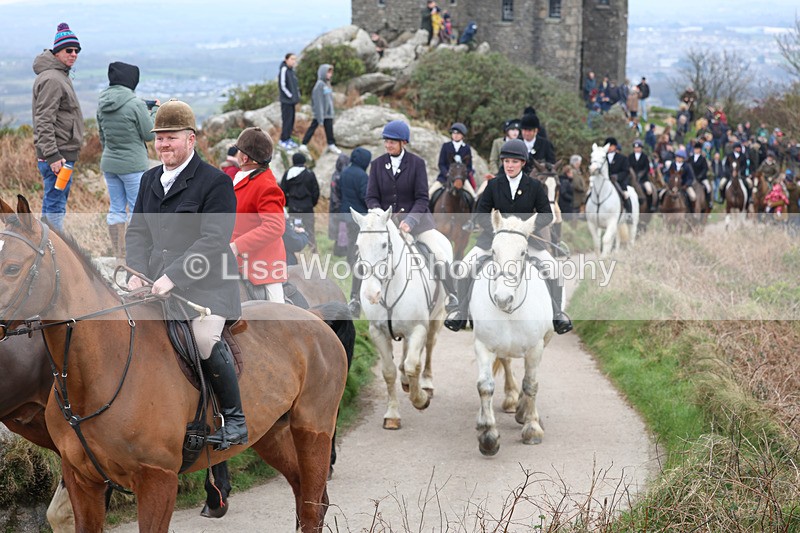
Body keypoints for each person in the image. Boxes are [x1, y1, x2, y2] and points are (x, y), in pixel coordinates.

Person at [126, 99, 246, 449]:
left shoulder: (214, 183)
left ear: (191, 139)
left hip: (206, 287)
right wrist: (136, 272)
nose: (163, 145)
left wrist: (174, 276)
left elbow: (214, 240)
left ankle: (235, 420)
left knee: (205, 340)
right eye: (159, 138)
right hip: (154, 284)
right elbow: (137, 232)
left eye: (171, 138)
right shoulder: (149, 179)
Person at [443, 139, 572, 335]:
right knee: (465, 267)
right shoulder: (493, 185)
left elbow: (547, 214)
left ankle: (557, 315)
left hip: (527, 239)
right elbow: (480, 214)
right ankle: (460, 313)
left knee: (554, 269)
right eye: (506, 161)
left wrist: (527, 228)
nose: (509, 165)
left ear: (522, 163)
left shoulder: (535, 186)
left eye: (514, 161)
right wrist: (499, 231)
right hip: (495, 239)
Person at [349, 119, 458, 316]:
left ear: (403, 143)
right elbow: (371, 196)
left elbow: (422, 198)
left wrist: (410, 221)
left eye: (393, 141)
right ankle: (355, 300)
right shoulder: (377, 164)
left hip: (417, 224)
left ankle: (453, 297)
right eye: (386, 141)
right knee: (361, 257)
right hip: (384, 224)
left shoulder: (417, 164)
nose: (388, 144)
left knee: (438, 254)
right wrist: (379, 216)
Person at [96, 61, 158, 264]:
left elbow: (102, 136)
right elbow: (149, 134)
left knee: (116, 209)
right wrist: (154, 111)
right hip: (132, 165)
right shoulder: (135, 103)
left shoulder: (102, 102)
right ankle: (135, 255)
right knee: (136, 208)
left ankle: (119, 255)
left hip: (110, 163)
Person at [32, 22, 84, 232]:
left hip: (61, 154)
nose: (73, 54)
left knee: (56, 205)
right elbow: (44, 120)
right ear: (56, 52)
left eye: (76, 51)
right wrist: (53, 155)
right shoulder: (53, 79)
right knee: (55, 206)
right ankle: (50, 249)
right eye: (68, 50)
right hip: (57, 156)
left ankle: (49, 248)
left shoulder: (59, 75)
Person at [229, 127, 287, 303]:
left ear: (244, 157)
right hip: (232, 259)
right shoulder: (240, 177)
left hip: (262, 265)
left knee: (277, 316)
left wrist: (236, 246)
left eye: (238, 151)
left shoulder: (267, 186)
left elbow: (275, 226)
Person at [339, 147, 372, 270]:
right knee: (359, 241)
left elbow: (339, 191)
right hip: (359, 214)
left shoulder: (344, 172)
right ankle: (356, 264)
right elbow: (364, 196)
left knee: (351, 239)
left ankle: (350, 262)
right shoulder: (363, 176)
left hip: (346, 212)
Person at [280, 152, 319, 248]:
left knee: (295, 228)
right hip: (307, 207)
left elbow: (282, 191)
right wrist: (312, 203)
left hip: (294, 207)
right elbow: (315, 191)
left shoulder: (288, 173)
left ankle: (296, 248)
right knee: (309, 228)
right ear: (304, 161)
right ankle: (312, 248)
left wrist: (288, 203)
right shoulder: (309, 173)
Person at [300, 64, 341, 154]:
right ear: (323, 73)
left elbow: (329, 99)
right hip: (321, 113)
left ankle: (331, 145)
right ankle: (303, 144)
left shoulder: (327, 84)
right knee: (313, 127)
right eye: (328, 72)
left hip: (328, 113)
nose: (330, 75)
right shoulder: (319, 85)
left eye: (331, 73)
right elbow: (318, 101)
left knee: (329, 129)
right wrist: (320, 116)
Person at [430, 122, 476, 199]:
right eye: (453, 133)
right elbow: (441, 164)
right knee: (429, 194)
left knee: (473, 196)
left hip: (461, 179)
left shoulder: (466, 148)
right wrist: (447, 174)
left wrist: (462, 176)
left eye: (458, 133)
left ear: (462, 135)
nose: (455, 135)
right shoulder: (446, 146)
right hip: (445, 178)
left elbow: (469, 166)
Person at [604, 137, 633, 219]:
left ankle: (629, 214)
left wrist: (617, 176)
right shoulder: (603, 157)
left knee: (626, 195)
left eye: (611, 146)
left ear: (615, 147)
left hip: (618, 182)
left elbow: (626, 171)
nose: (609, 148)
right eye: (607, 146)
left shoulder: (622, 158)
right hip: (605, 181)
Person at [329, 153, 350, 257]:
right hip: (339, 207)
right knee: (341, 229)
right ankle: (340, 251)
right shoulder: (338, 175)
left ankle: (341, 250)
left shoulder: (337, 174)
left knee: (341, 230)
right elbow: (335, 194)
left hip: (338, 207)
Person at [277, 53, 300, 150]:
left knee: (291, 120)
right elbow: (282, 85)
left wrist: (297, 96)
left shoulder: (292, 71)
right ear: (286, 59)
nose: (293, 61)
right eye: (291, 59)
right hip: (286, 101)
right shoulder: (284, 69)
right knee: (286, 120)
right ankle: (283, 140)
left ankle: (288, 138)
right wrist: (290, 96)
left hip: (292, 102)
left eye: (295, 59)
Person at [629, 140, 654, 213]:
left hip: (643, 179)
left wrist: (641, 174)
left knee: (649, 190)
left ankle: (650, 206)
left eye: (638, 148)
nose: (636, 149)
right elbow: (629, 167)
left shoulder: (645, 157)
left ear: (641, 148)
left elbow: (647, 168)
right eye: (635, 148)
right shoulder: (630, 157)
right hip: (632, 179)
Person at [689, 141, 712, 208]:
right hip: (692, 178)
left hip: (701, 178)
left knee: (708, 188)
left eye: (697, 149)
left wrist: (700, 176)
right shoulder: (690, 158)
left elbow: (705, 169)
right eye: (695, 149)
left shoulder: (703, 159)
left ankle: (709, 202)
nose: (696, 150)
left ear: (700, 150)